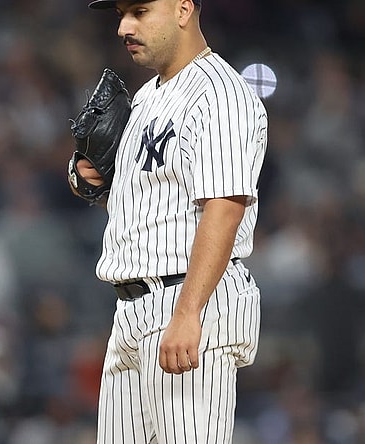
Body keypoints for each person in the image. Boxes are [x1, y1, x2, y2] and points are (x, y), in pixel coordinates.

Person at [69, 0, 268, 442]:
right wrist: (94, 182)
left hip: (187, 300)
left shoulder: (221, 94)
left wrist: (188, 312)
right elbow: (143, 207)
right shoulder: (147, 96)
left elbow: (225, 208)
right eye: (121, 13)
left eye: (139, 11)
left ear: (183, 9)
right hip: (133, 309)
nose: (124, 26)